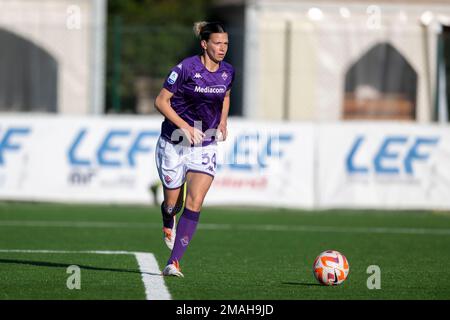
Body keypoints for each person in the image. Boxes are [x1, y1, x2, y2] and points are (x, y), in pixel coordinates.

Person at [154, 21, 234, 277]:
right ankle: (168, 218)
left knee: (196, 200)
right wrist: (185, 126)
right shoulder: (186, 68)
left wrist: (222, 120)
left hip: (205, 144)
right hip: (174, 142)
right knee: (171, 203)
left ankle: (173, 261)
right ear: (204, 44)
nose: (222, 49)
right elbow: (161, 101)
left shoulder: (228, 71)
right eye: (217, 43)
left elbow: (226, 95)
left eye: (226, 44)